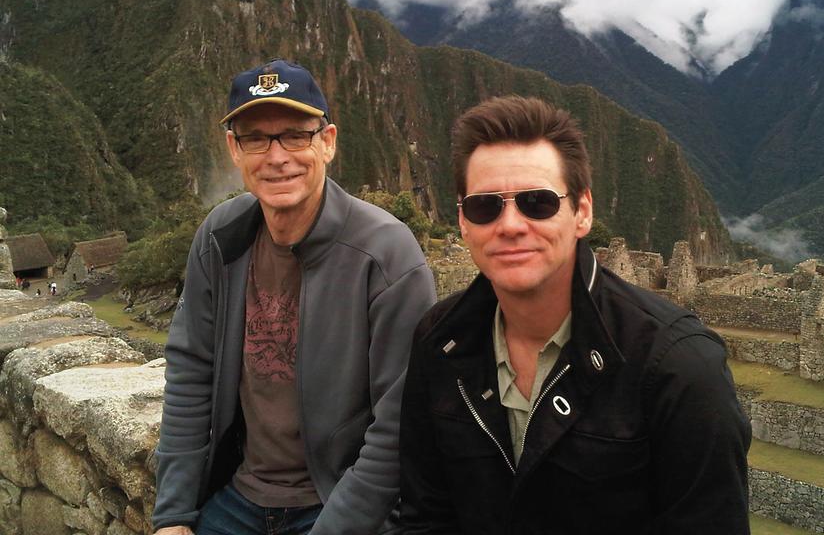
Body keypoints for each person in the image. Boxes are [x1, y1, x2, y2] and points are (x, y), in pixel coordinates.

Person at [399, 95, 750, 534]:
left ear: (582, 211)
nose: (510, 225)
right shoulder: (439, 342)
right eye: (485, 206)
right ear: (464, 222)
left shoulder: (677, 370)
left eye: (537, 202)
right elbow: (424, 513)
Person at [152, 59, 437, 535]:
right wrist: (173, 516)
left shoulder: (385, 254)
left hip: (336, 502)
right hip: (237, 498)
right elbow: (190, 373)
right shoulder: (221, 238)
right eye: (256, 138)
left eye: (295, 135)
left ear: (326, 142)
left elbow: (400, 422)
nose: (277, 156)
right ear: (234, 150)